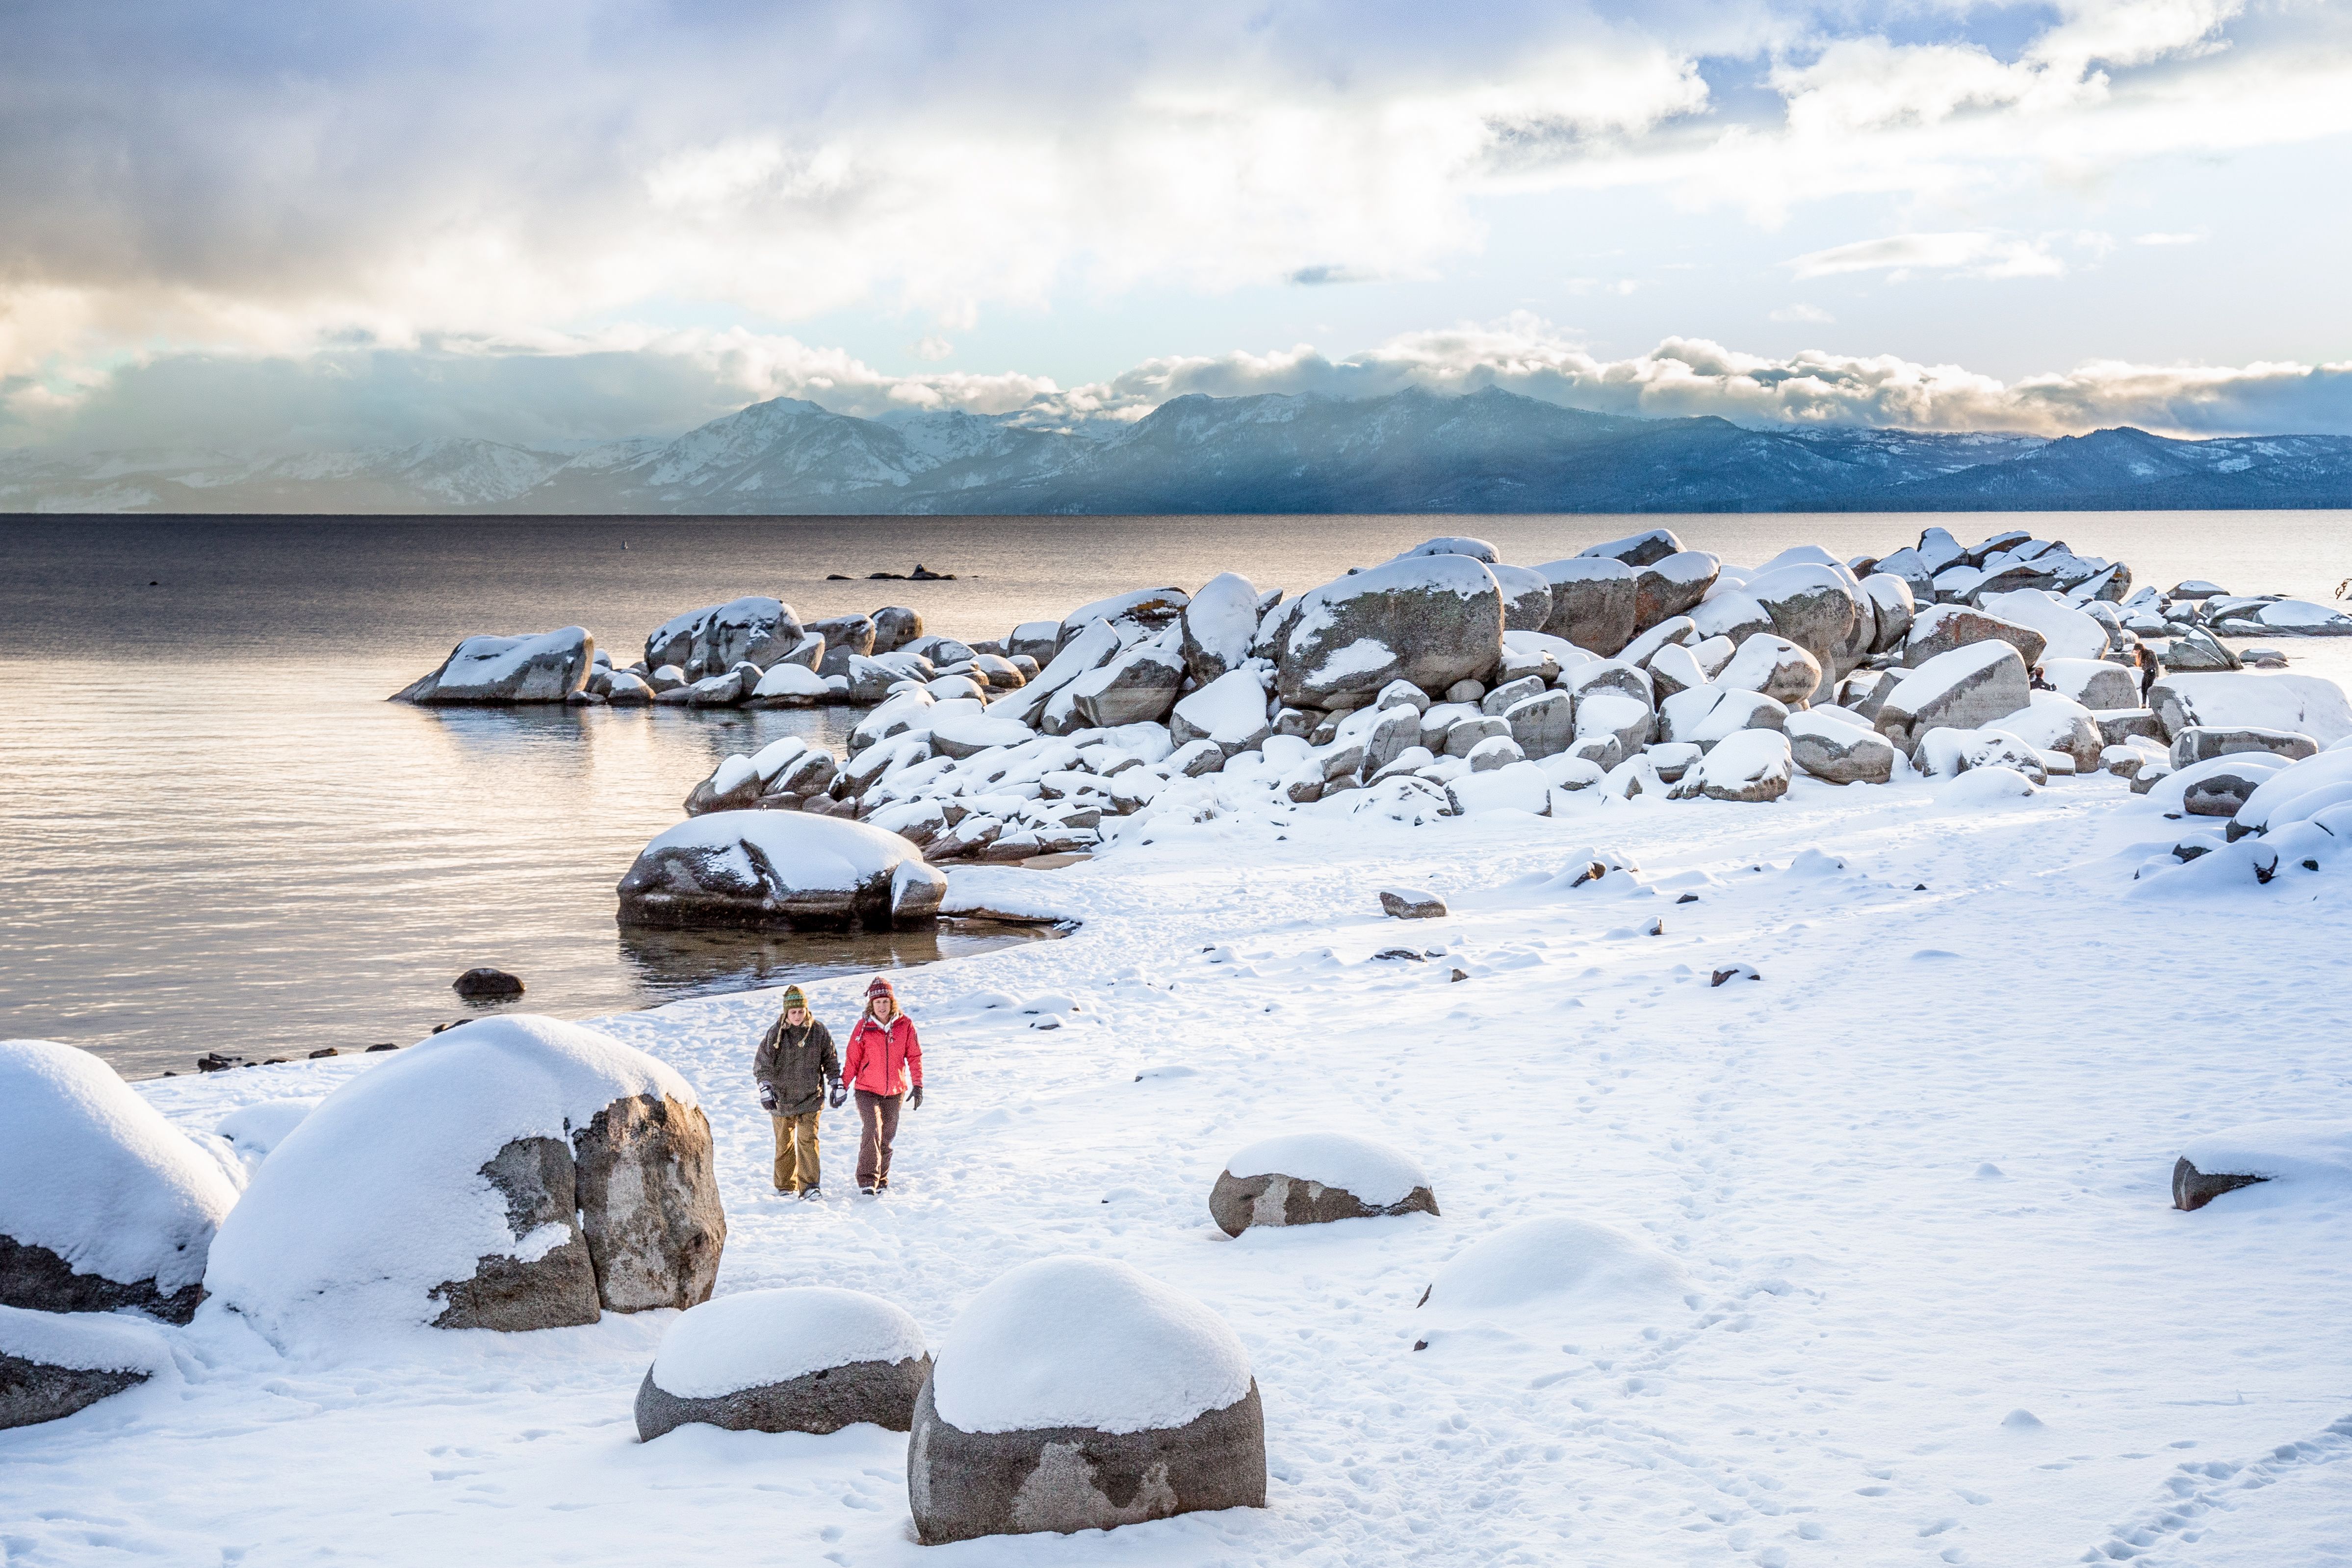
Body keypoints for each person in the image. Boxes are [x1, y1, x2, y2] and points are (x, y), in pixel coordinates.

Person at [753, 985, 838, 1200]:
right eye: (794, 1012)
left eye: (801, 1011)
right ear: (786, 1012)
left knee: (808, 1141)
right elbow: (763, 1064)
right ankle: (784, 1185)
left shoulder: (818, 1031)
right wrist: (766, 1087)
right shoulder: (776, 1033)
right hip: (783, 1099)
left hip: (811, 1096)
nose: (798, 1015)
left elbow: (831, 1060)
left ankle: (810, 1187)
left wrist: (837, 1082)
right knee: (784, 1144)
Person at [841, 976, 923, 1196]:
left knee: (887, 1135)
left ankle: (882, 1177)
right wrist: (843, 1085)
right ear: (872, 1004)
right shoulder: (863, 1027)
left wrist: (918, 1085)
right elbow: (852, 1060)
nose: (882, 1006)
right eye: (877, 1002)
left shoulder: (905, 1025)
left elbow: (914, 1056)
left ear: (892, 1002)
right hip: (867, 1090)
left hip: (895, 1091)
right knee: (872, 1130)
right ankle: (867, 1180)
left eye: (886, 1001)